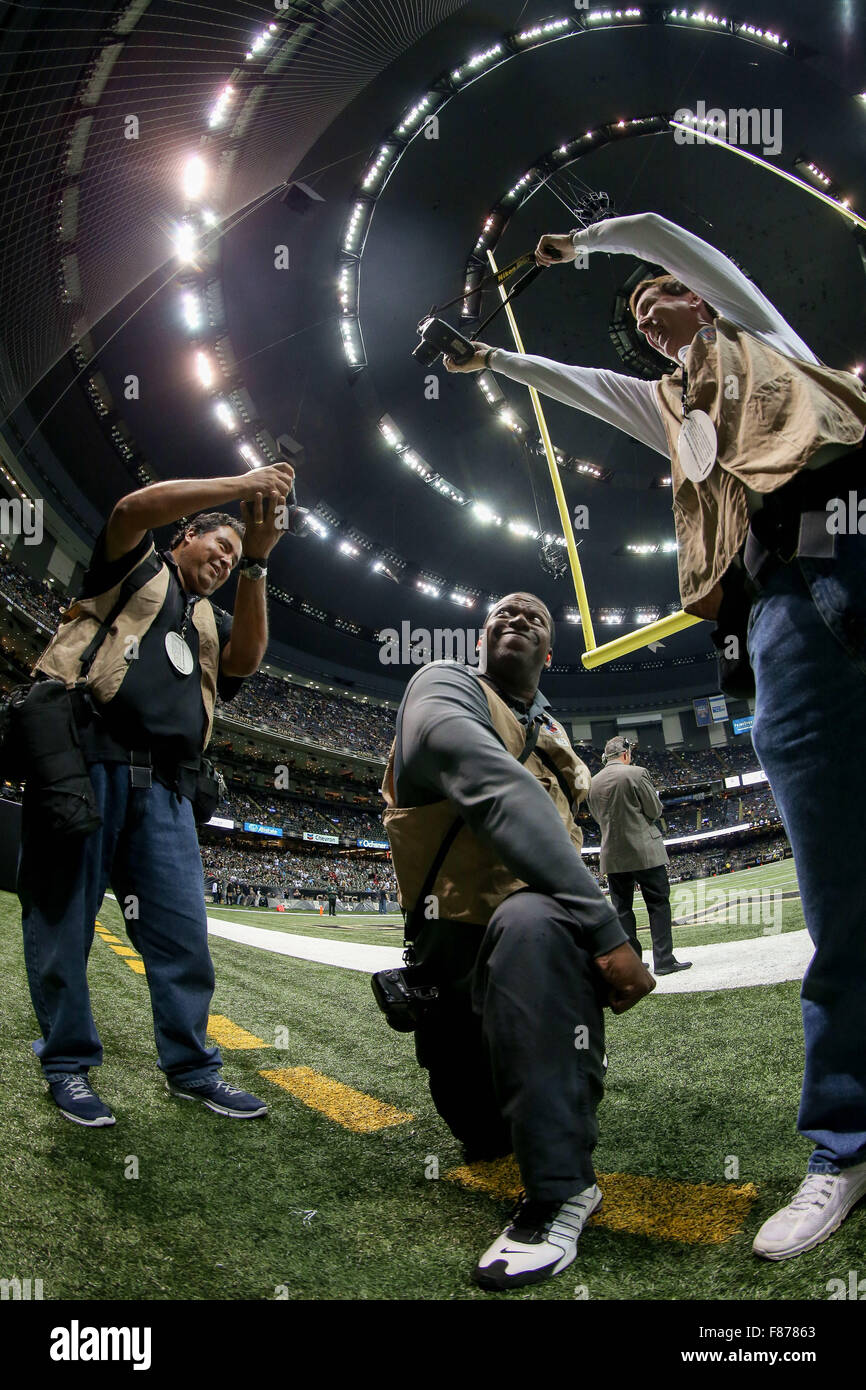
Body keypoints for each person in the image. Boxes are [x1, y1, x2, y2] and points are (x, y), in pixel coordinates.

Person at [444, 211, 866, 1262]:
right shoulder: (668, 403)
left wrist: (580, 246)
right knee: (838, 893)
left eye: (657, 292)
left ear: (694, 294)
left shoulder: (759, 335)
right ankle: (846, 1140)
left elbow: (671, 237)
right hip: (781, 610)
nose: (649, 308)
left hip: (859, 546)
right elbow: (571, 384)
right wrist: (485, 353)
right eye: (636, 310)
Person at [381, 592, 655, 1291]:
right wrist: (605, 924)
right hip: (454, 962)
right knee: (483, 1138)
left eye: (535, 616)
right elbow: (492, 787)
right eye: (502, 611)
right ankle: (520, 1099)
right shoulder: (442, 684)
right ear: (479, 637)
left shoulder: (560, 735)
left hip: (531, 949)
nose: (517, 618)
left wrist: (575, 921)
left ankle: (562, 1190)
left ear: (551, 652)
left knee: (532, 919)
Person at [17, 460, 296, 1126]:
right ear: (186, 536)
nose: (224, 560)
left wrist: (257, 563)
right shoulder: (134, 564)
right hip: (88, 761)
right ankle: (68, 1065)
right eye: (219, 546)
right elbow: (129, 508)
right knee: (63, 921)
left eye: (233, 555)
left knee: (181, 937)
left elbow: (246, 661)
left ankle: (193, 1069)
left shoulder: (207, 619)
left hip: (168, 789)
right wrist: (242, 487)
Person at [587, 736, 691, 976]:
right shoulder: (636, 773)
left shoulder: (592, 782)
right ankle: (663, 960)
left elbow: (596, 818)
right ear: (625, 755)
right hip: (645, 851)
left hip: (612, 855)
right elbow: (654, 810)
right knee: (658, 904)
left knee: (622, 909)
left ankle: (633, 963)